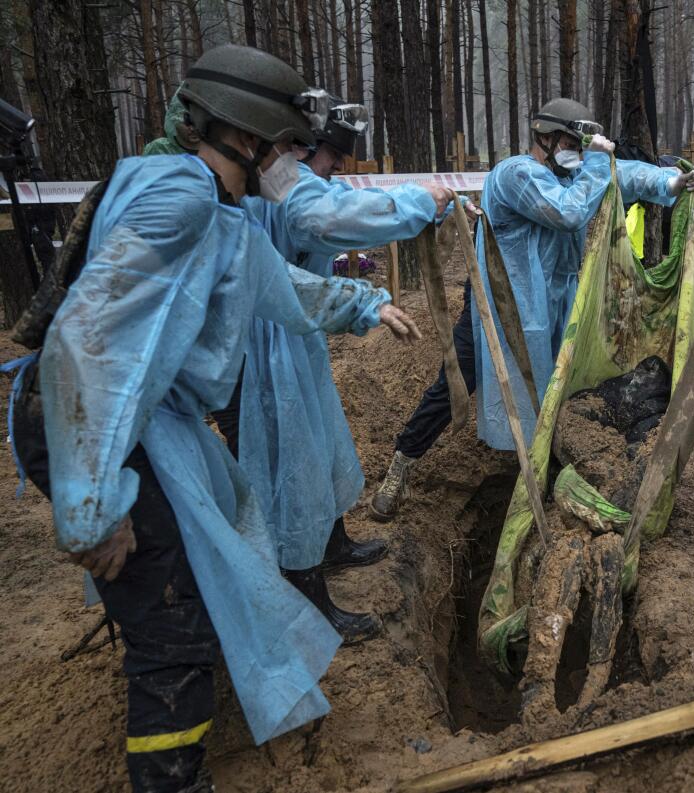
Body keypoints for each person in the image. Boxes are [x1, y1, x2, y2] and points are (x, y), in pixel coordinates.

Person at [7, 44, 422, 792]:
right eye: (289, 149)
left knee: (193, 577)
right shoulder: (183, 199)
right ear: (253, 139)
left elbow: (283, 287)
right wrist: (95, 505)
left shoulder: (214, 210)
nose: (294, 166)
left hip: (122, 422)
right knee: (171, 629)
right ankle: (172, 778)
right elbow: (89, 345)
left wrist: (365, 304)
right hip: (99, 425)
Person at [370, 98, 694, 520]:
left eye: (581, 147)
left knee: (559, 385)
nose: (577, 154)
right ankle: (401, 464)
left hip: (555, 304)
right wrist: (599, 163)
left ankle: (546, 467)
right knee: (456, 381)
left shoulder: (574, 174)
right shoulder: (515, 174)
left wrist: (669, 183)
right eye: (570, 142)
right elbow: (568, 212)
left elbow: (626, 177)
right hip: (499, 306)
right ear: (544, 137)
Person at [218, 96, 459, 644]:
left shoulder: (293, 184)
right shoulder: (277, 194)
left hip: (296, 332)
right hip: (264, 347)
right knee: (290, 461)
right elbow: (327, 220)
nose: (332, 169)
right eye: (325, 156)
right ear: (294, 149)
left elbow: (342, 212)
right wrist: (416, 203)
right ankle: (304, 591)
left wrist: (422, 211)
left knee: (321, 442)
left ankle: (331, 544)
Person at [142, 89, 202, 155]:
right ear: (174, 121)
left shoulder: (212, 151)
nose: (192, 129)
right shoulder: (159, 150)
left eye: (198, 122)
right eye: (186, 123)